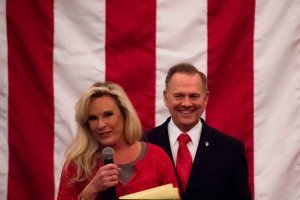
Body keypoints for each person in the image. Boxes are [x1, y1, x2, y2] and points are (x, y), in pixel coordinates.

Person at [145, 63, 252, 200]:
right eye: (178, 96)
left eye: (194, 96)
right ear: (166, 97)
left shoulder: (231, 150)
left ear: (205, 98)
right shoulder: (144, 145)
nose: (187, 103)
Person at [57, 82, 179, 200]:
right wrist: (92, 190)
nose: (100, 124)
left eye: (108, 114)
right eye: (93, 118)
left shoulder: (156, 156)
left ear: (125, 115)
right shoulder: (77, 164)